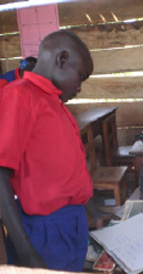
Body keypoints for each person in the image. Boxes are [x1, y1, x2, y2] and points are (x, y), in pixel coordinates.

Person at [0, 30, 118, 271]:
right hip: (43, 232)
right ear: (62, 60)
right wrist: (27, 254)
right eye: (80, 76)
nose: (79, 87)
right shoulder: (19, 96)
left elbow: (64, 172)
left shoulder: (53, 102)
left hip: (69, 223)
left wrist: (92, 211)